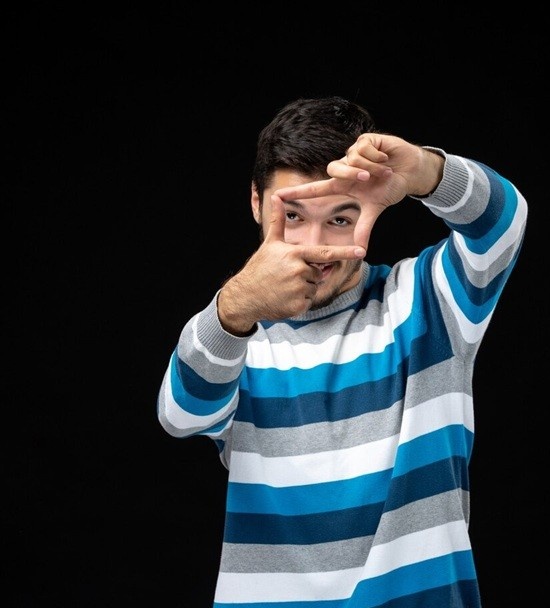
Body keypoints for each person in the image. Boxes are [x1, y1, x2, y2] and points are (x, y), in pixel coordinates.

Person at [157, 96, 528, 607]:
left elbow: (502, 223)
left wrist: (426, 171)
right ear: (255, 203)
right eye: (292, 215)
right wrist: (237, 306)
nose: (314, 245)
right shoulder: (238, 336)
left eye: (340, 218)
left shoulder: (425, 300)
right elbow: (179, 415)